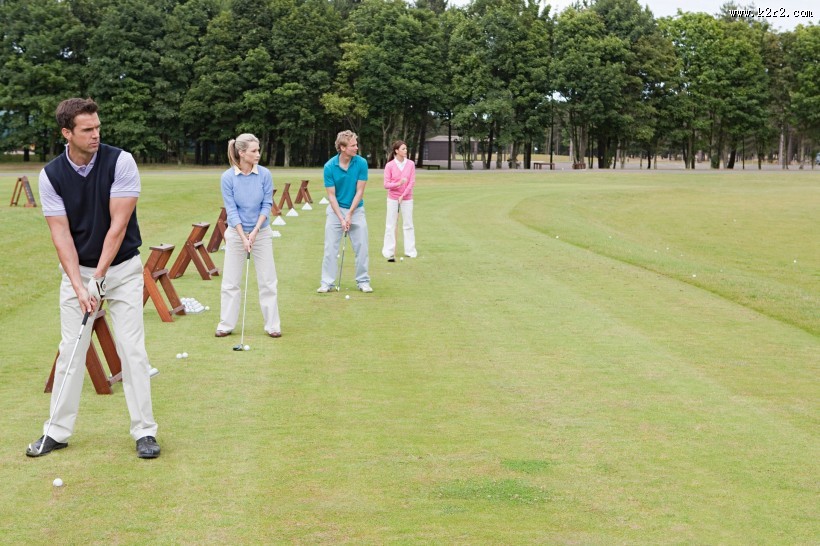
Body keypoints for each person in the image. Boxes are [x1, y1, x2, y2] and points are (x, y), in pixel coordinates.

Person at [27, 98, 160, 459]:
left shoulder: (121, 161)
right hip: (79, 272)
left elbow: (118, 227)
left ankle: (145, 431)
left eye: (98, 127)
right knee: (71, 350)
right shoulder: (51, 175)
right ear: (66, 133)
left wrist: (98, 279)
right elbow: (61, 235)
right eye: (87, 129)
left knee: (132, 349)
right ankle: (56, 431)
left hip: (122, 269)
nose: (96, 134)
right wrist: (78, 284)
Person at [215, 134, 282, 338]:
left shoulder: (264, 174)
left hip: (261, 233)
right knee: (230, 282)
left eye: (258, 149)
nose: (258, 154)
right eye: (254, 151)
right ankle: (226, 324)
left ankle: (272, 325)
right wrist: (243, 236)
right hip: (236, 235)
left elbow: (267, 204)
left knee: (268, 281)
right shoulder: (228, 177)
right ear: (241, 153)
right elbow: (231, 210)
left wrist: (254, 231)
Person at [317, 130, 372, 293]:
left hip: (356, 208)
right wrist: (341, 218)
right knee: (330, 248)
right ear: (342, 147)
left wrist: (349, 214)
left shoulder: (361, 163)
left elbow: (360, 191)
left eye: (356, 144)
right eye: (353, 145)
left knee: (362, 247)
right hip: (335, 210)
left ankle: (363, 281)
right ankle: (327, 282)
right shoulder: (329, 166)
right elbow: (331, 196)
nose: (356, 148)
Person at [382, 140, 417, 261]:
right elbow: (386, 184)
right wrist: (398, 183)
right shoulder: (389, 165)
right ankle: (388, 251)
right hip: (392, 198)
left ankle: (410, 251)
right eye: (403, 149)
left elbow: (412, 182)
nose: (405, 151)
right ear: (396, 151)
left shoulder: (411, 164)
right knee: (390, 224)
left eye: (406, 148)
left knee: (408, 224)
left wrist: (403, 195)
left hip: (407, 198)